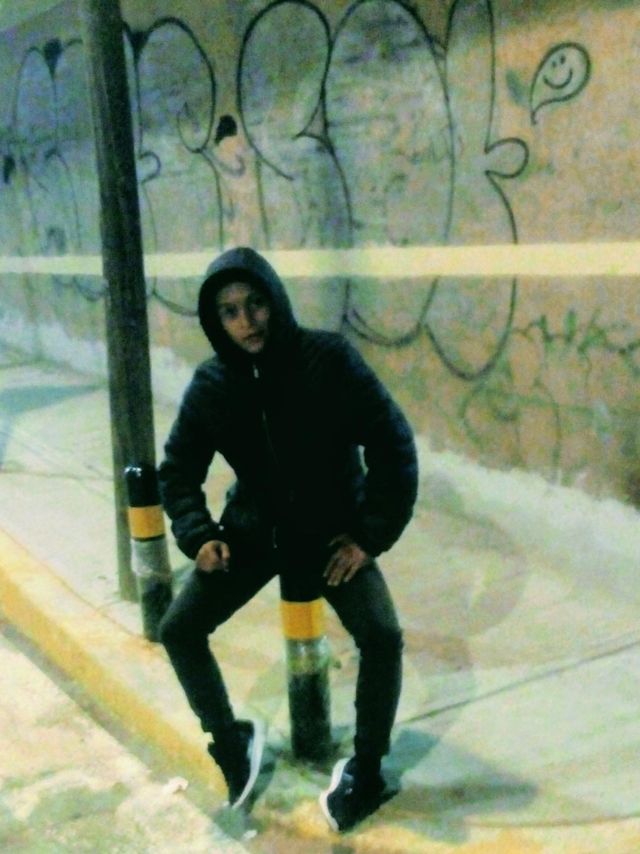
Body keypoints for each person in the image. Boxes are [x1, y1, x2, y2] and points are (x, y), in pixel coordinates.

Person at [158, 246, 418, 832]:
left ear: (276, 300)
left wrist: (368, 536)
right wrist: (199, 536)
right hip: (254, 533)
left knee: (381, 635)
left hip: (330, 535)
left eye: (256, 304)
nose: (246, 322)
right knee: (179, 628)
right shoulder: (213, 384)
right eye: (229, 312)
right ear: (216, 322)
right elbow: (177, 471)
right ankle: (230, 741)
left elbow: (392, 443)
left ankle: (367, 770)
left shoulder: (328, 360)